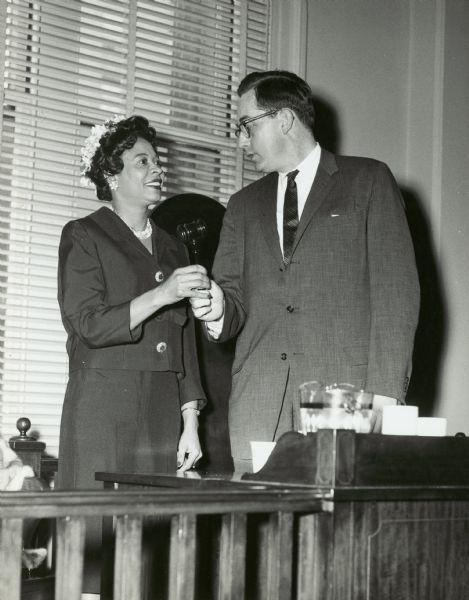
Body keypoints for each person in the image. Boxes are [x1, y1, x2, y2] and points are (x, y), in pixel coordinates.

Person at [191, 70, 420, 472]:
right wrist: (216, 309)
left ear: (283, 119)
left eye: (246, 126)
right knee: (259, 532)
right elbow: (233, 303)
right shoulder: (242, 206)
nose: (241, 141)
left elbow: (396, 294)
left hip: (343, 405)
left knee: (336, 530)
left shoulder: (368, 180)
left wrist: (384, 398)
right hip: (259, 406)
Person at [57, 115, 209, 593]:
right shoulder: (85, 234)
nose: (157, 168)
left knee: (147, 551)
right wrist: (161, 297)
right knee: (95, 548)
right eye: (142, 161)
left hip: (163, 411)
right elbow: (87, 324)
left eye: (157, 160)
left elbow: (185, 341)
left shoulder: (173, 247)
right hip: (102, 405)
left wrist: (191, 420)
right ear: (110, 175)